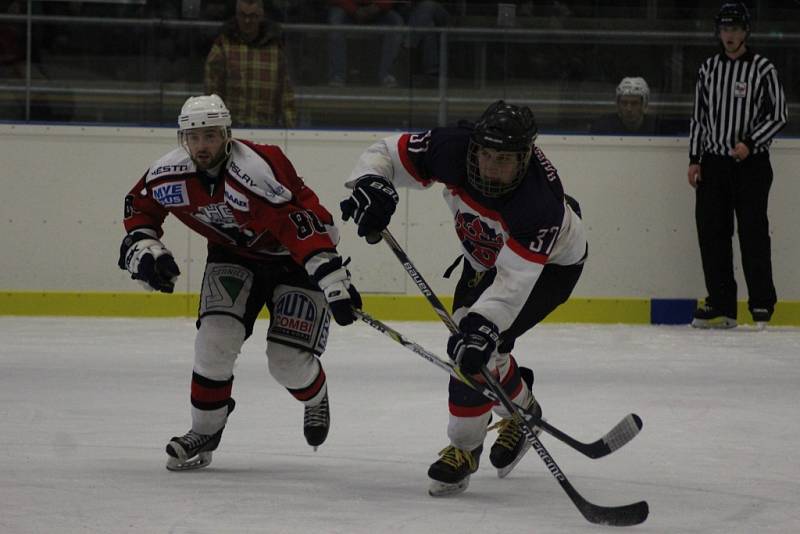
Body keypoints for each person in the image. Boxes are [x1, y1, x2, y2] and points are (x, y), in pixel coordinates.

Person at [339, 100, 587, 496]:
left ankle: (464, 449)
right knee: (482, 351)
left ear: (524, 159)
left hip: (547, 270)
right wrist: (372, 183)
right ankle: (525, 409)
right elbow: (385, 153)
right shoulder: (452, 147)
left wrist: (482, 327)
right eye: (486, 155)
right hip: (482, 258)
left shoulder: (539, 205)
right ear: (474, 145)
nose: (490, 167)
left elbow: (512, 284)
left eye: (504, 160)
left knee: (477, 351)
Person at [118, 94, 361, 471]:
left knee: (286, 362)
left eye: (211, 136)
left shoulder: (257, 170)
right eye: (193, 137)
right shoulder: (170, 173)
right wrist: (146, 248)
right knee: (214, 340)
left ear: (228, 135)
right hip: (234, 257)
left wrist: (331, 278)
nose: (201, 146)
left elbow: (296, 227)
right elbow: (140, 208)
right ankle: (204, 430)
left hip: (296, 259)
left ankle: (315, 396)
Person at [687, 3, 787, 329]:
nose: (729, 35)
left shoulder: (763, 69)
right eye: (725, 29)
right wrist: (694, 159)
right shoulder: (708, 69)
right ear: (719, 32)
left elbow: (778, 115)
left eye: (735, 29)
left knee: (752, 232)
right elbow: (699, 118)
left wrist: (750, 142)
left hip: (751, 165)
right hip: (714, 164)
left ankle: (761, 303)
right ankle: (721, 303)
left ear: (746, 31)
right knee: (712, 233)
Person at [204, 0, 296, 128]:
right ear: (236, 15)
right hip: (231, 129)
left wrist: (290, 129)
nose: (247, 21)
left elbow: (286, 95)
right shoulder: (223, 46)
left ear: (261, 16)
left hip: (266, 129)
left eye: (252, 16)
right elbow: (212, 93)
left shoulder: (275, 50)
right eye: (243, 15)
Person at [326, 0, 403, 88]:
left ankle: (386, 75)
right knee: (336, 21)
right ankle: (337, 75)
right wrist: (354, 10)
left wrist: (378, 6)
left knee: (396, 22)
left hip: (377, 8)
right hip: (345, 7)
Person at [590, 77, 659, 134]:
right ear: (618, 104)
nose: (629, 109)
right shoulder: (602, 126)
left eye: (634, 103)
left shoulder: (656, 127)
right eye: (624, 103)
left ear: (644, 104)